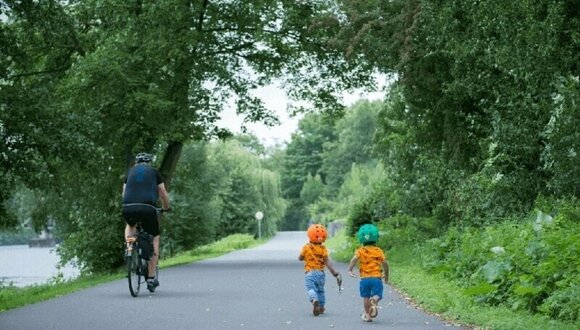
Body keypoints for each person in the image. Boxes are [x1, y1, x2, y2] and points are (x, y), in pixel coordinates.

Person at [122, 152, 170, 291]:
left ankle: (129, 247)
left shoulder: (130, 172)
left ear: (136, 163)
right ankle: (150, 278)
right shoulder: (154, 172)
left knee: (130, 225)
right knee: (154, 237)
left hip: (128, 207)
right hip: (148, 208)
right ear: (149, 163)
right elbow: (162, 192)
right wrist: (166, 207)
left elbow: (124, 193)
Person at [347, 223, 389, 322]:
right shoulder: (378, 251)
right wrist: (386, 276)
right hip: (376, 278)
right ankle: (374, 300)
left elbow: (354, 259)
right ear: (376, 237)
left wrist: (350, 269)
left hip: (364, 279)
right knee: (378, 294)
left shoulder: (360, 250)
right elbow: (385, 263)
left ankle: (368, 315)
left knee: (365, 297)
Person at [298, 224, 340, 316]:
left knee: (311, 289)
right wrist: (334, 272)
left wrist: (303, 257)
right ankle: (321, 307)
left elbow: (300, 258)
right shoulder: (323, 248)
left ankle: (314, 299)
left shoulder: (306, 247)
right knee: (320, 290)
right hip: (320, 274)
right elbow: (327, 261)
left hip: (310, 273)